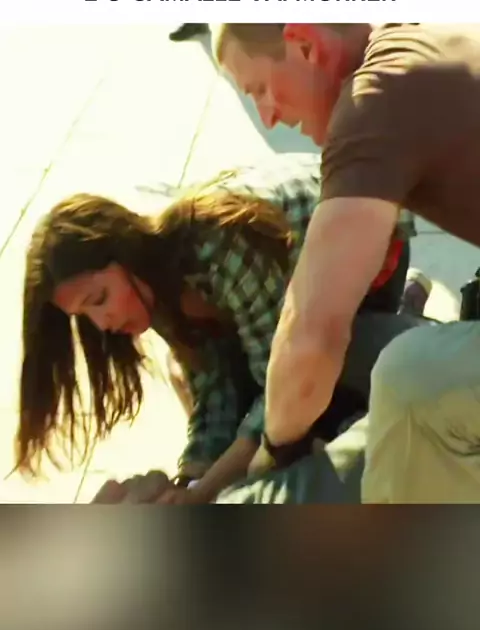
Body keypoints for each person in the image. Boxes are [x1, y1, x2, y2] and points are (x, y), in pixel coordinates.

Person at [19, 153, 413, 504]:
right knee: (189, 378)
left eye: (99, 298)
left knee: (316, 398)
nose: (102, 323)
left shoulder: (220, 245)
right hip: (283, 302)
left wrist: (207, 492)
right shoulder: (153, 293)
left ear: (125, 253)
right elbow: (215, 388)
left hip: (370, 248)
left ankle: (404, 315)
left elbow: (280, 388)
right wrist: (190, 479)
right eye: (84, 316)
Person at [213, 23, 480, 502]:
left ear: (306, 44)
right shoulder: (414, 47)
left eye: (260, 89)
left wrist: (271, 454)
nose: (267, 118)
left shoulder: (373, 102)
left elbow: (312, 334)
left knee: (415, 379)